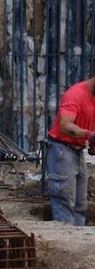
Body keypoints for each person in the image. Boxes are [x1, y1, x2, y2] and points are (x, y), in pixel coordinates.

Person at [45, 76, 95, 226]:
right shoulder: (75, 94)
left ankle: (77, 242)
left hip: (78, 151)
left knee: (80, 204)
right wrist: (88, 135)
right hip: (62, 150)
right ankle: (64, 242)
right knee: (64, 202)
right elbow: (65, 126)